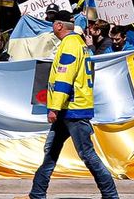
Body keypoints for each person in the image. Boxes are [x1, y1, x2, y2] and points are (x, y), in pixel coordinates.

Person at [26, 10, 118, 199]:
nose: (51, 26)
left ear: (59, 26)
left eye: (52, 23)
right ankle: (36, 193)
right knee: (51, 152)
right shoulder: (79, 44)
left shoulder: (69, 45)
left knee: (87, 154)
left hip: (72, 110)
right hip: (69, 109)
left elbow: (64, 79)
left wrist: (54, 108)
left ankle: (111, 195)